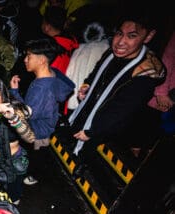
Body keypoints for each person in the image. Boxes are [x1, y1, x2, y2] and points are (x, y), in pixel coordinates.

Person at [59, 9, 166, 169]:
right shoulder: (112, 53)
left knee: (83, 166)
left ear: (148, 36)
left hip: (106, 131)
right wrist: (87, 85)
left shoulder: (145, 73)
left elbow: (122, 109)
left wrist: (92, 131)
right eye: (119, 33)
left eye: (132, 36)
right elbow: (96, 73)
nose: (120, 42)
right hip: (87, 116)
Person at [10, 37, 75, 185]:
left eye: (29, 56)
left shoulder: (40, 88)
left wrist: (14, 91)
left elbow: (27, 114)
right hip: (48, 123)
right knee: (40, 154)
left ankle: (33, 175)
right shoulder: (53, 73)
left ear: (42, 60)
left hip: (37, 131)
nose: (25, 59)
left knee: (34, 156)